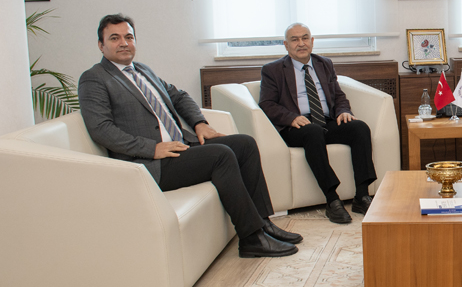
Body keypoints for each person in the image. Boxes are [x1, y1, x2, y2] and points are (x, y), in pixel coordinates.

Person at [79, 14, 301, 258]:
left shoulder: (142, 70)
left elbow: (179, 96)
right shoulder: (94, 78)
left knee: (245, 144)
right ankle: (251, 238)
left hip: (180, 147)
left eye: (128, 37)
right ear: (101, 45)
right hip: (149, 163)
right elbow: (101, 129)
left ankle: (264, 222)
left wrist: (199, 123)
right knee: (221, 155)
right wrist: (151, 148)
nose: (124, 43)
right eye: (114, 38)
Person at [259, 23, 378, 225]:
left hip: (325, 121)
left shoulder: (324, 64)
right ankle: (332, 200)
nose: (301, 43)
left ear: (312, 41)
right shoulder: (273, 70)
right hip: (296, 127)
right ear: (286, 45)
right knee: (313, 132)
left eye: (305, 38)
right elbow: (267, 104)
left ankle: (362, 195)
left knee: (359, 128)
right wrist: (291, 117)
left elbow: (338, 95)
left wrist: (343, 111)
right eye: (295, 39)